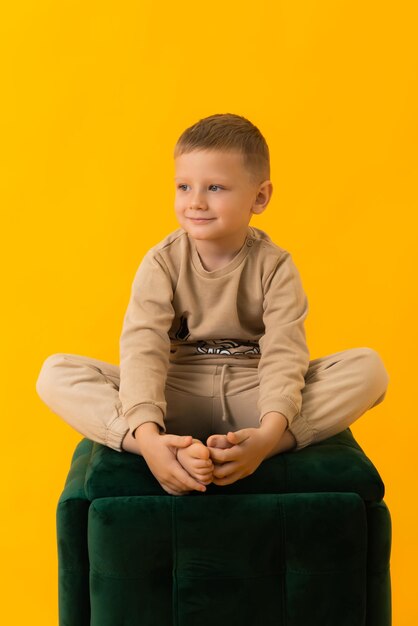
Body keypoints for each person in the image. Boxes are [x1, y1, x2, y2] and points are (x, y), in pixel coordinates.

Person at [35, 113, 389, 496]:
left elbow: (285, 353)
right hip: (177, 393)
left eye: (216, 187)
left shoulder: (276, 265)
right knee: (55, 373)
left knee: (369, 369)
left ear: (260, 196)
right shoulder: (161, 262)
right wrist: (148, 434)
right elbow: (143, 349)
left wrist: (269, 432)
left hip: (252, 393)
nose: (195, 202)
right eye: (184, 186)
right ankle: (157, 449)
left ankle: (263, 447)